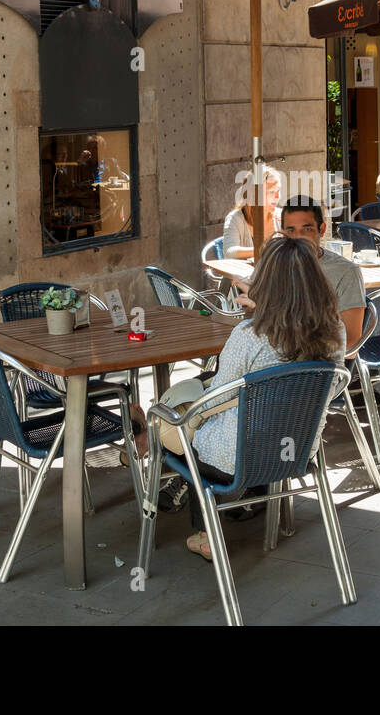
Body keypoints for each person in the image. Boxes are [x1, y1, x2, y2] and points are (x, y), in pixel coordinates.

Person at [155, 236, 345, 561]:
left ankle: (205, 533)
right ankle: (237, 503)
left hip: (235, 460)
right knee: (208, 419)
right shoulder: (334, 331)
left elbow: (216, 400)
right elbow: (332, 386)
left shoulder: (249, 336)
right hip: (297, 452)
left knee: (167, 422)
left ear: (264, 283)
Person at [275, 195, 366, 352]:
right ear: (282, 232)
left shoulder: (345, 272)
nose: (298, 237)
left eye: (307, 229)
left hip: (317, 365)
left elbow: (351, 343)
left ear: (322, 230)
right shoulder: (273, 264)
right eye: (291, 230)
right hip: (271, 356)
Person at [222, 166, 282, 259]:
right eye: (272, 191)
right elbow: (229, 252)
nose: (278, 196)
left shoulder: (282, 216)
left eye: (279, 190)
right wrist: (265, 249)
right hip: (244, 273)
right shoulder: (235, 219)